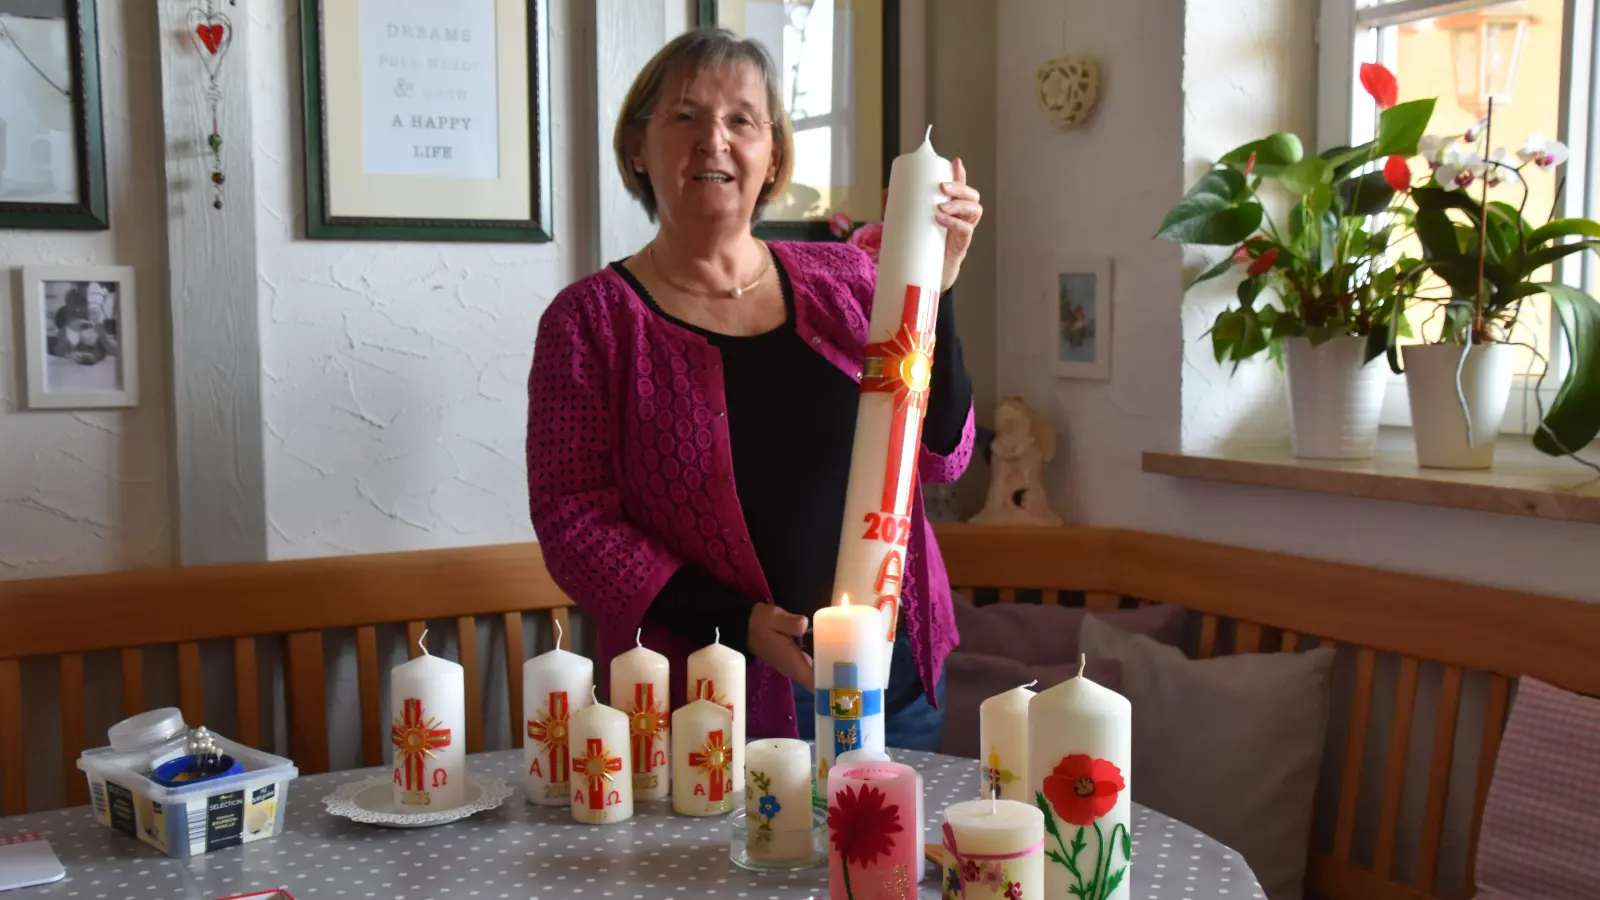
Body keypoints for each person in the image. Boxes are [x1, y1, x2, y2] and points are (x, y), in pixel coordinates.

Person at [525, 28, 983, 749]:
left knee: (883, 832)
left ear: (772, 156)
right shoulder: (591, 322)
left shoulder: (850, 280)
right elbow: (574, 525)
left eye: (742, 120)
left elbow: (940, 453)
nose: (715, 140)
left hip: (892, 679)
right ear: (639, 147)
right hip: (712, 694)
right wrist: (735, 621)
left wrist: (937, 287)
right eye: (686, 116)